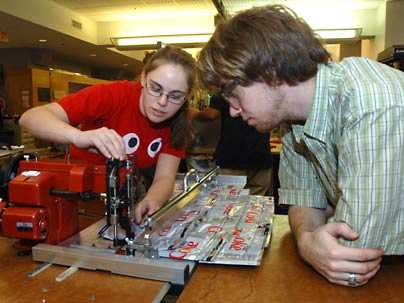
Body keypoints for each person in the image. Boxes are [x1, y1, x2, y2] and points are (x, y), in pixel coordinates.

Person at [197, 4, 404, 287]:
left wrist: (318, 241)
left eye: (232, 93)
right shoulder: (294, 122)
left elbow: (353, 257)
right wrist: (308, 243)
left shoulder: (370, 101)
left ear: (270, 70)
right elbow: (303, 201)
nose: (232, 110)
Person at [19, 45, 196, 224]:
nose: (162, 102)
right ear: (143, 78)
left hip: (124, 199)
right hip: (76, 203)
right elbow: (31, 118)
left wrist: (152, 200)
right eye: (155, 88)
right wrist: (80, 137)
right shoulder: (113, 96)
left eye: (175, 96)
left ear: (186, 97)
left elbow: (164, 177)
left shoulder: (179, 122)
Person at [190, 94, 273, 195]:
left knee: (229, 201)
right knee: (257, 201)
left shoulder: (225, 93)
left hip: (232, 156)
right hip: (261, 153)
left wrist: (193, 113)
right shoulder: (264, 90)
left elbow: (211, 115)